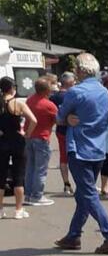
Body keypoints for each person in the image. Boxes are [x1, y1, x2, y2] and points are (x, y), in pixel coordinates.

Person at [54, 53, 108, 254]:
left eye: (76, 68)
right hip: (98, 148)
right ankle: (73, 235)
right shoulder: (104, 92)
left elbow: (59, 117)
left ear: (81, 71)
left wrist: (68, 119)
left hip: (80, 148)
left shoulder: (75, 92)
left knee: (88, 194)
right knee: (84, 194)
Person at [0, 77, 37, 219]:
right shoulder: (18, 103)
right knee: (19, 175)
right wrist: (27, 133)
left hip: (2, 141)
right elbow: (33, 120)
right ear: (12, 88)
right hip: (17, 141)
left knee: (1, 176)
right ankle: (18, 210)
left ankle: (1, 209)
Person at [23, 77, 58, 207]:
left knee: (30, 167)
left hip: (29, 136)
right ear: (47, 90)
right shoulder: (49, 105)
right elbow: (58, 119)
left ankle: (28, 195)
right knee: (40, 169)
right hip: (42, 138)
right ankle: (37, 196)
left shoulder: (30, 100)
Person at [50, 72, 76, 195]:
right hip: (74, 129)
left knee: (63, 158)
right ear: (70, 82)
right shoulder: (73, 95)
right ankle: (82, 183)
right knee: (77, 157)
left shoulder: (54, 97)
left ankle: (66, 184)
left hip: (60, 130)